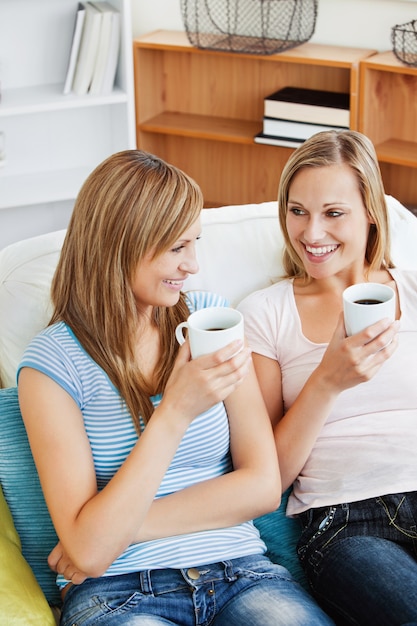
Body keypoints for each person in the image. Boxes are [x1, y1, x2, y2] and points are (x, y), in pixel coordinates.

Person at [17, 150, 333, 626]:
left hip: (239, 573)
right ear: (120, 243)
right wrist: (175, 412)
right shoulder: (51, 366)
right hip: (116, 592)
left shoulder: (211, 320)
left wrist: (113, 531)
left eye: (195, 244)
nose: (192, 266)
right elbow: (91, 558)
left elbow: (264, 486)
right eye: (176, 247)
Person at [238, 129, 417, 625]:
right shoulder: (265, 314)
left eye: (333, 213)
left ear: (371, 213)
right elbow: (268, 477)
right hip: (347, 523)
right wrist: (327, 381)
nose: (312, 234)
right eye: (298, 211)